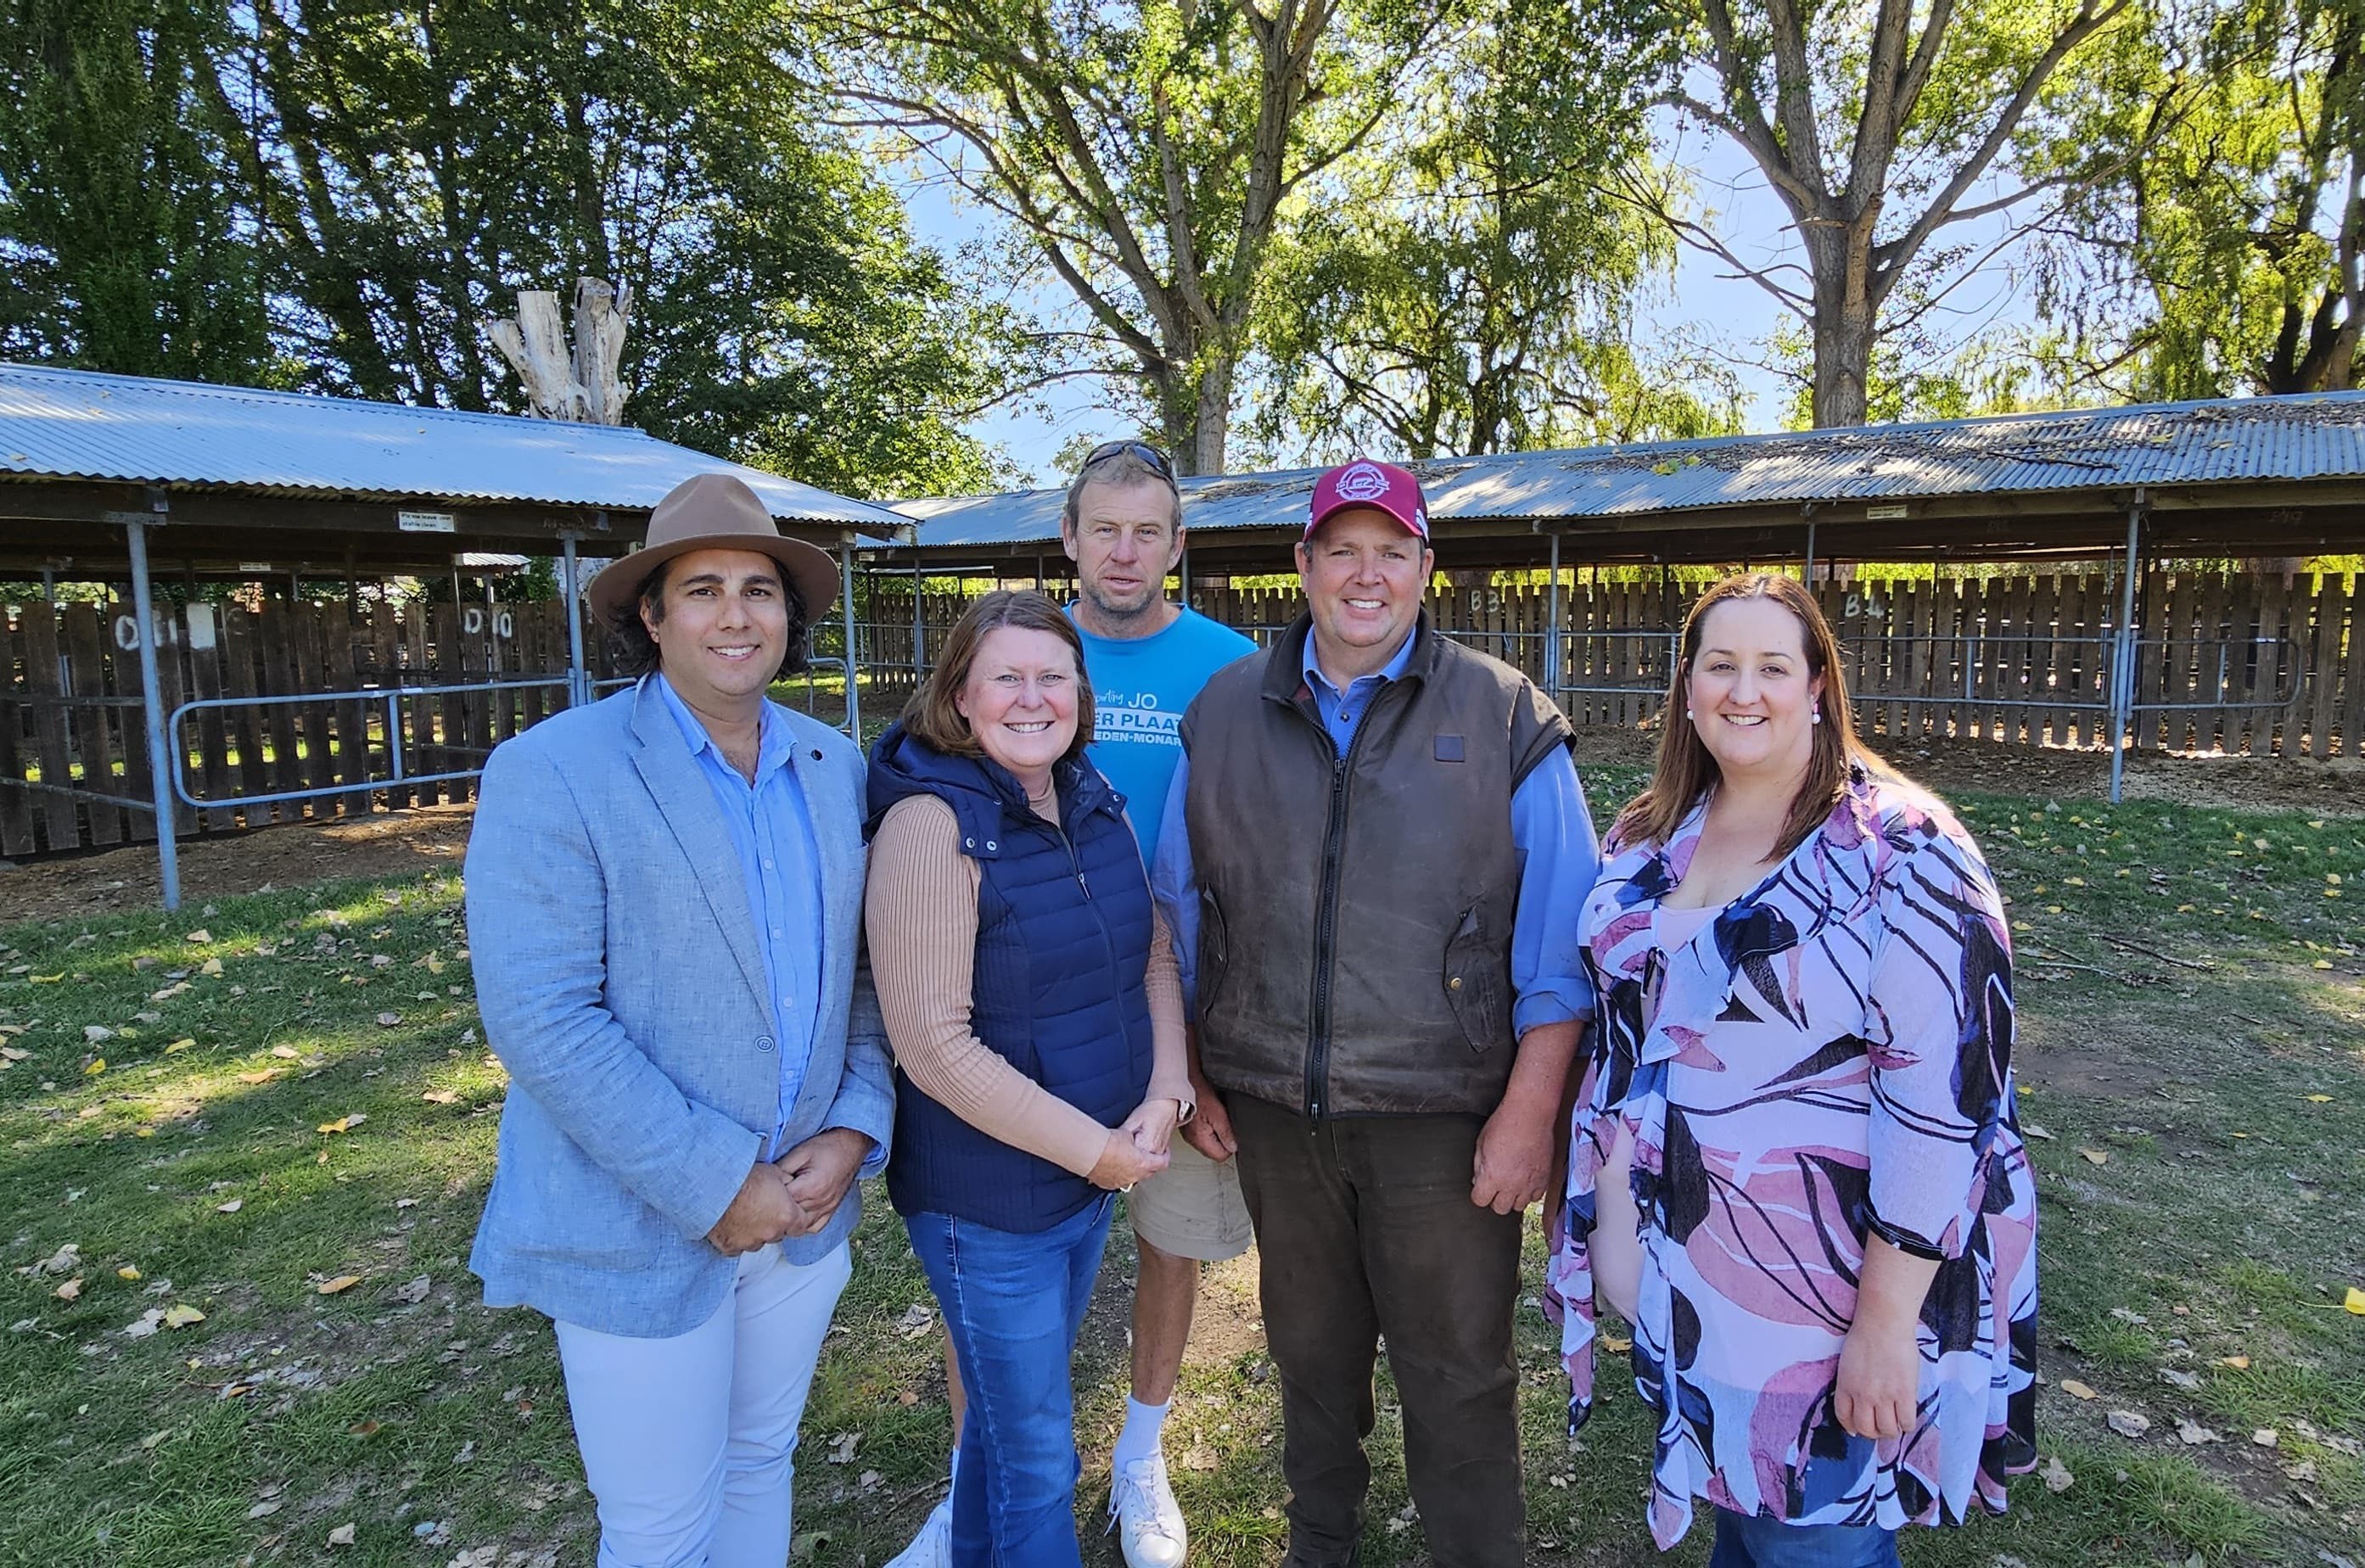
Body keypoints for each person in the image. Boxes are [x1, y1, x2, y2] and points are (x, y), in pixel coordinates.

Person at [1153, 459, 1601, 1568]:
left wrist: (1529, 1111)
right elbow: (1176, 903)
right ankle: (1321, 1549)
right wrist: (1199, 1072)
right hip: (1274, 1113)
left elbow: (1562, 944)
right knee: (1309, 1365)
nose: (1366, 575)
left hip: (1444, 1122)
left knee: (1458, 1378)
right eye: (1340, 550)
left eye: (1390, 551)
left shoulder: (1503, 717)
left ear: (1423, 569)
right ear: (1300, 567)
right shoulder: (1222, 712)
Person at [1546, 572, 2038, 1565]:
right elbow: (1623, 1046)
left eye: (1774, 666)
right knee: (1748, 1526)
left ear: (1818, 685)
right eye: (1720, 665)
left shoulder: (1907, 855)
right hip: (1696, 1280)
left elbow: (1947, 1106)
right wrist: (1609, 1223)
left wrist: (1887, 1325)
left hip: (1831, 1289)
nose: (1744, 690)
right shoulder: (1649, 836)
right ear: (1686, 690)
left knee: (1813, 1542)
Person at [464, 473, 894, 1568]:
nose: (735, 614)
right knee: (658, 1532)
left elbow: (863, 979)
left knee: (760, 1463)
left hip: (803, 1215)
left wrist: (851, 1133)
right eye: (700, 590)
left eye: (758, 589)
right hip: (638, 1225)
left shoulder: (833, 767)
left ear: (789, 619)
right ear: (649, 617)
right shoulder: (553, 773)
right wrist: (718, 1186)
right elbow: (542, 1016)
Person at [883, 442, 1256, 1568]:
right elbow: (931, 1034)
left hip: (1160, 1026)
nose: (1126, 550)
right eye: (1106, 528)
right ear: (1070, 538)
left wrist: (1180, 1066)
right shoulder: (1007, 680)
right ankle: (977, 1488)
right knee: (999, 1322)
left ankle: (1138, 1457)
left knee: (1167, 1241)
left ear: (1178, 545)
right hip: (997, 1027)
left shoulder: (1225, 671)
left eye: (1149, 531)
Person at [865, 589, 1195, 1568]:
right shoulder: (931, 825)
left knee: (1010, 1442)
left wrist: (1166, 1093)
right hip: (989, 1205)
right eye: (1005, 676)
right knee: (1036, 1462)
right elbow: (932, 1046)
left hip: (1090, 1182)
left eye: (1053, 677)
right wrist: (1096, 1149)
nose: (1031, 698)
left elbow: (1153, 956)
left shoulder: (1090, 799)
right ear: (960, 694)